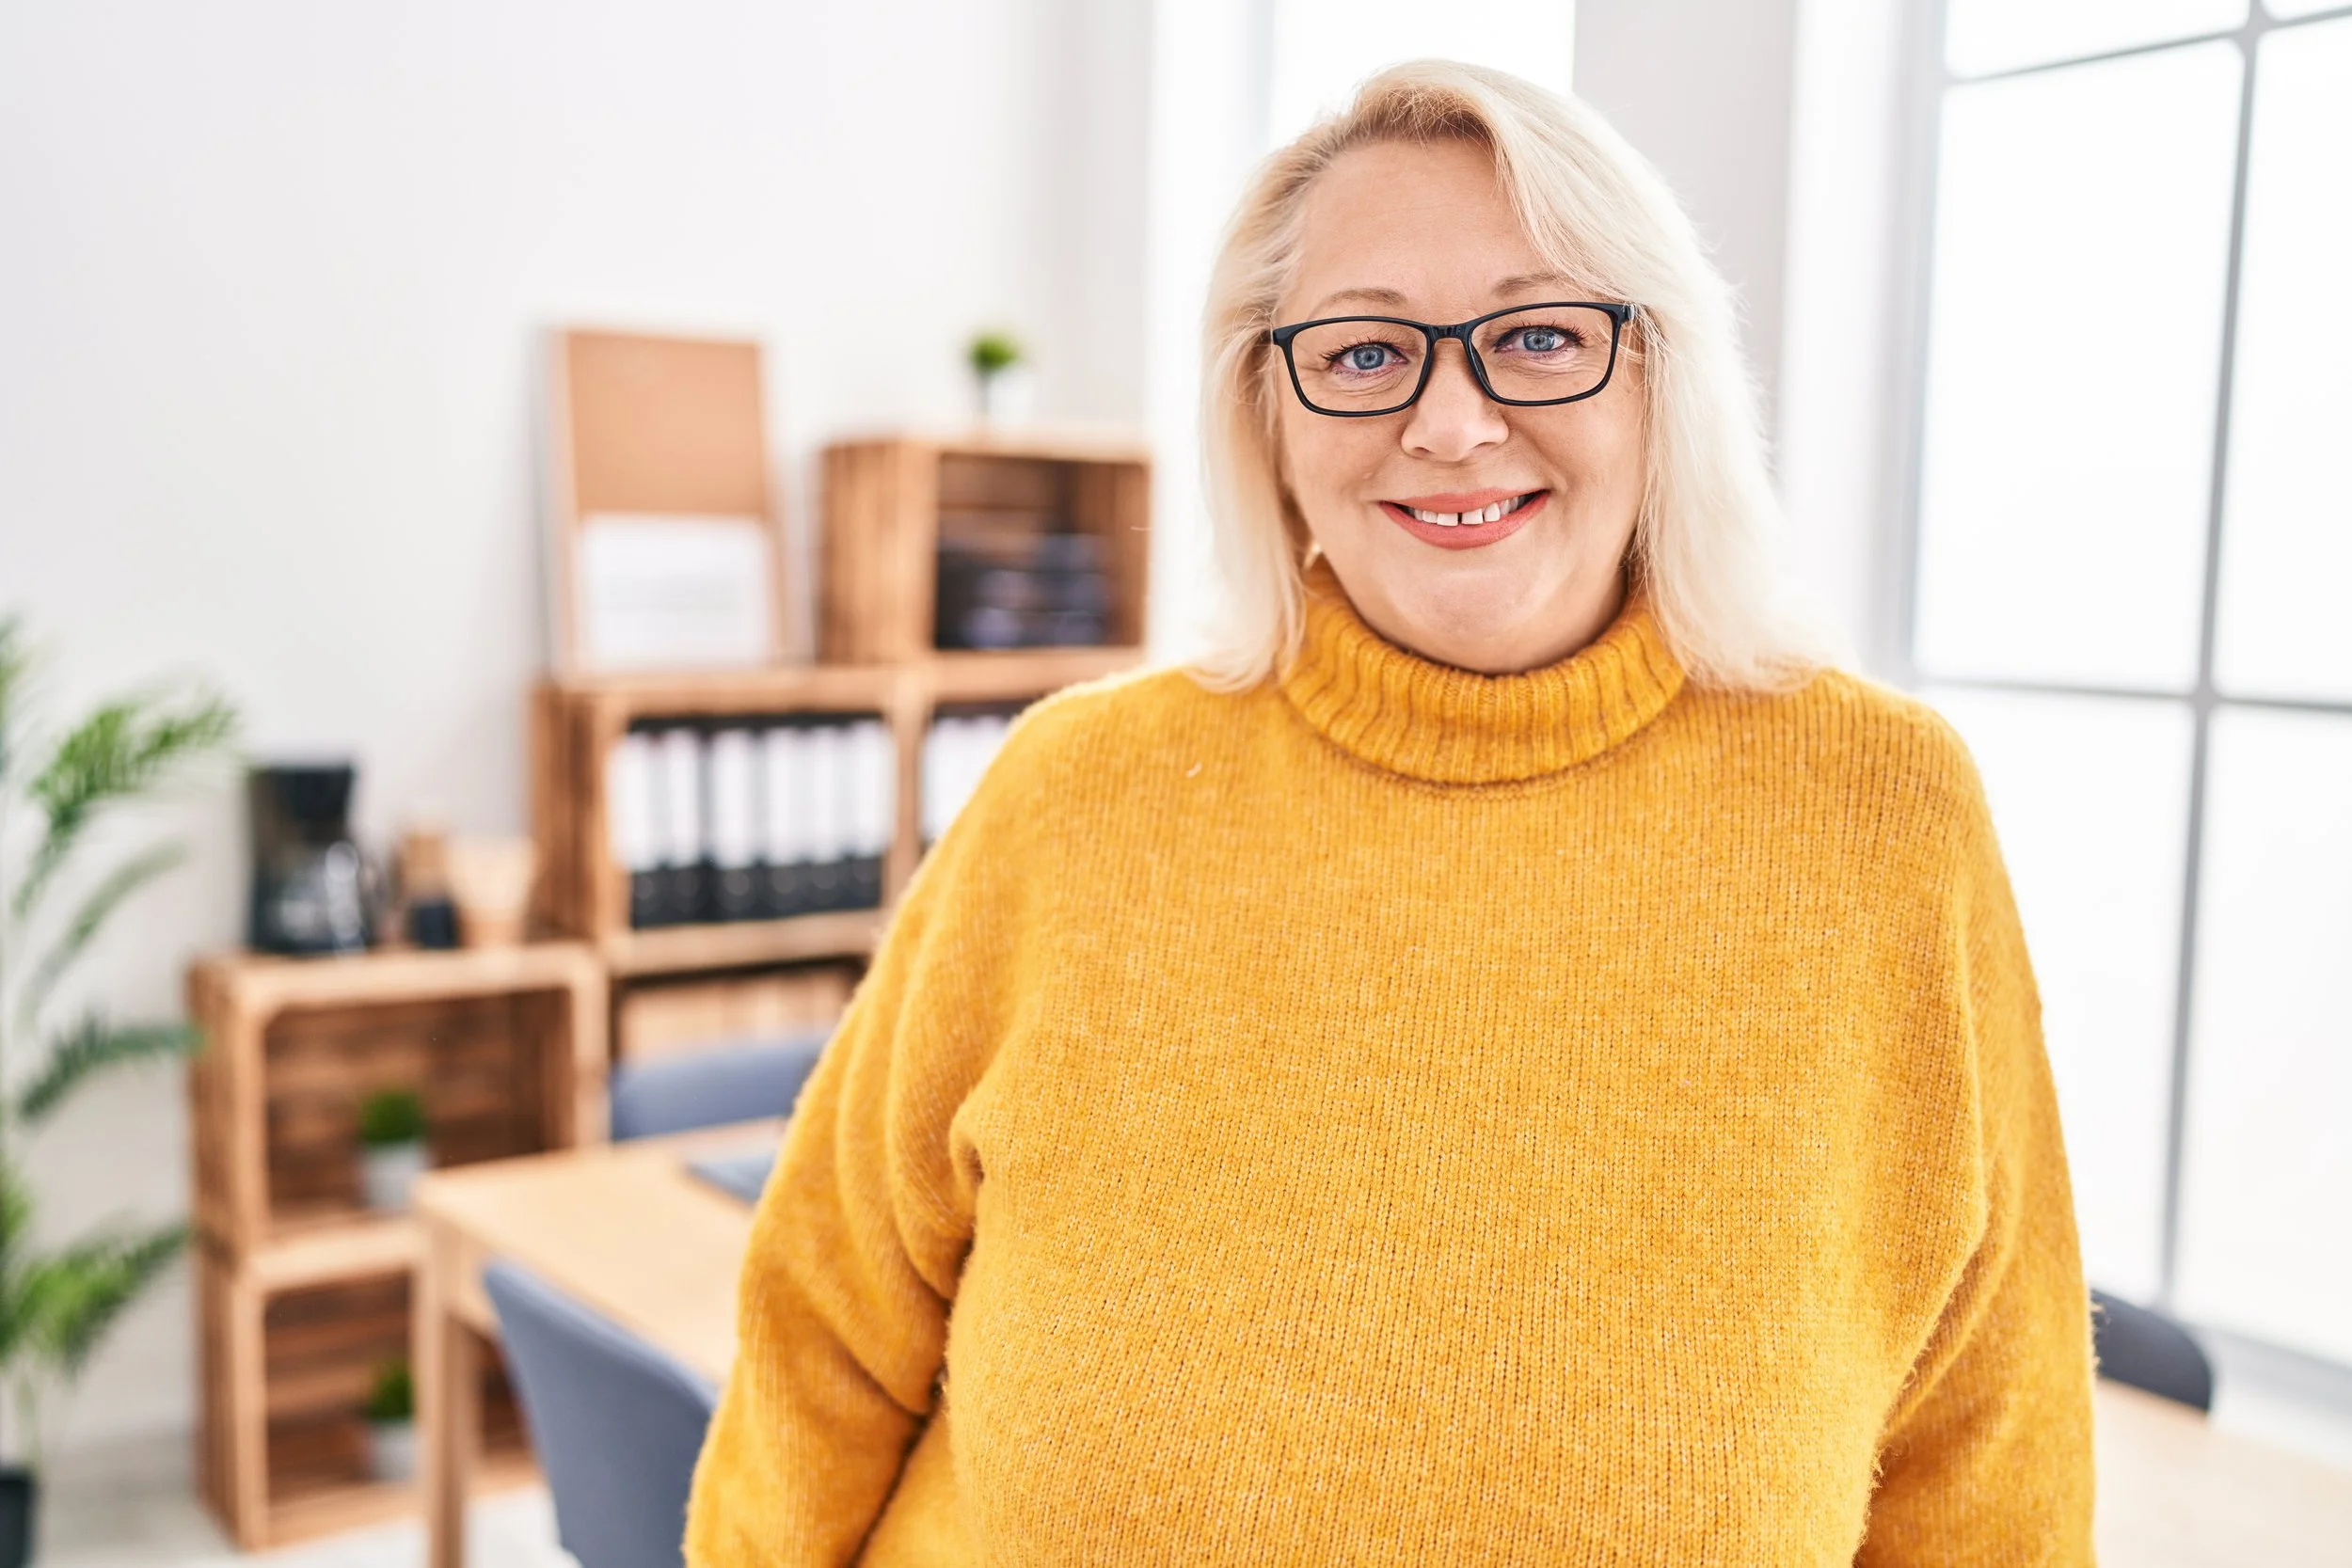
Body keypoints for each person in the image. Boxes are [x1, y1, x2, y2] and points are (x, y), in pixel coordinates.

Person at [686, 59, 2095, 1565]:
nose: (1451, 420)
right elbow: (817, 1341)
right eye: (1363, 355)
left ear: (1657, 378)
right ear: (1269, 414)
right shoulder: (1075, 794)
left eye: (1540, 334)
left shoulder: (1879, 821)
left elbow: (1987, 1478)